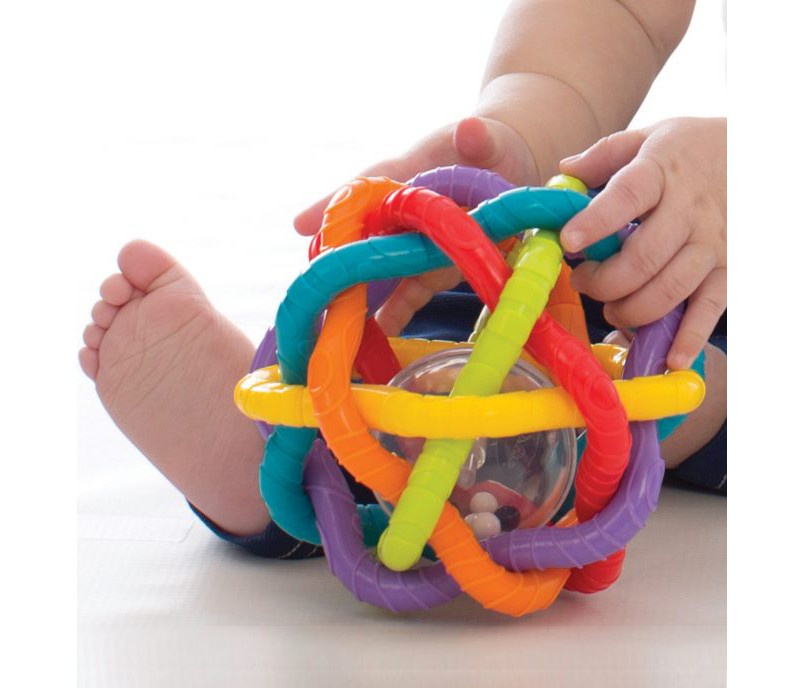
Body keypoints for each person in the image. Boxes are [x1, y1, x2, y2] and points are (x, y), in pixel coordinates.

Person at [78, 0, 727, 546]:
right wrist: (523, 132)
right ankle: (300, 449)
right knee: (453, 308)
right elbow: (621, 11)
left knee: (677, 364)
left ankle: (516, 453)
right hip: (639, 226)